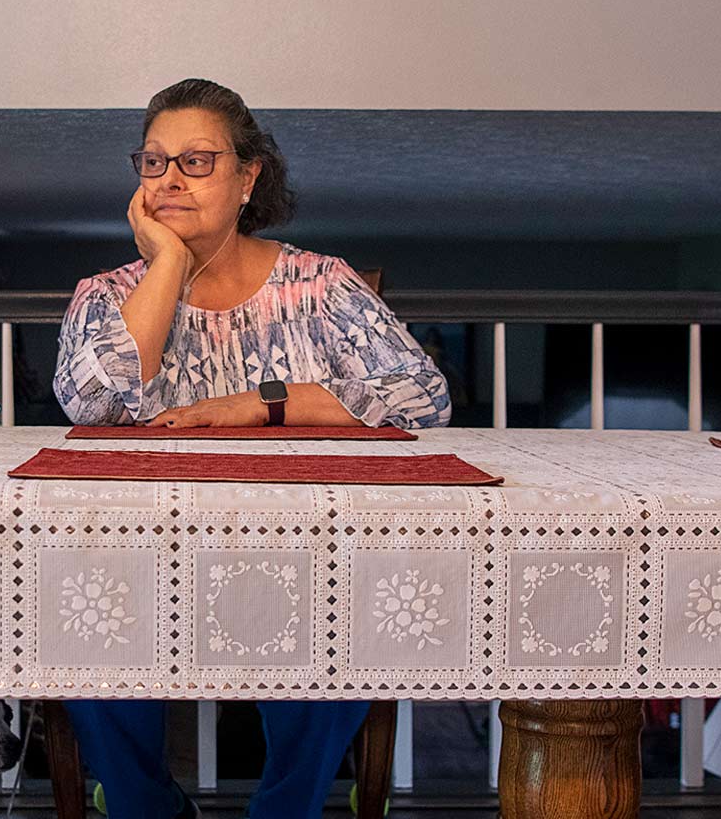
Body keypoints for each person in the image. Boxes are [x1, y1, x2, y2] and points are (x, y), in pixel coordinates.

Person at [51, 78, 450, 818]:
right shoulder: (105, 295)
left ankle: (286, 809)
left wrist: (261, 403)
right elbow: (96, 402)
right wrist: (166, 263)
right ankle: (145, 806)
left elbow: (421, 396)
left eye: (197, 161)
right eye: (154, 161)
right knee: (74, 609)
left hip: (298, 556)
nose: (170, 177)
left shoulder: (322, 285)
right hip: (142, 560)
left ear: (248, 177)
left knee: (346, 607)